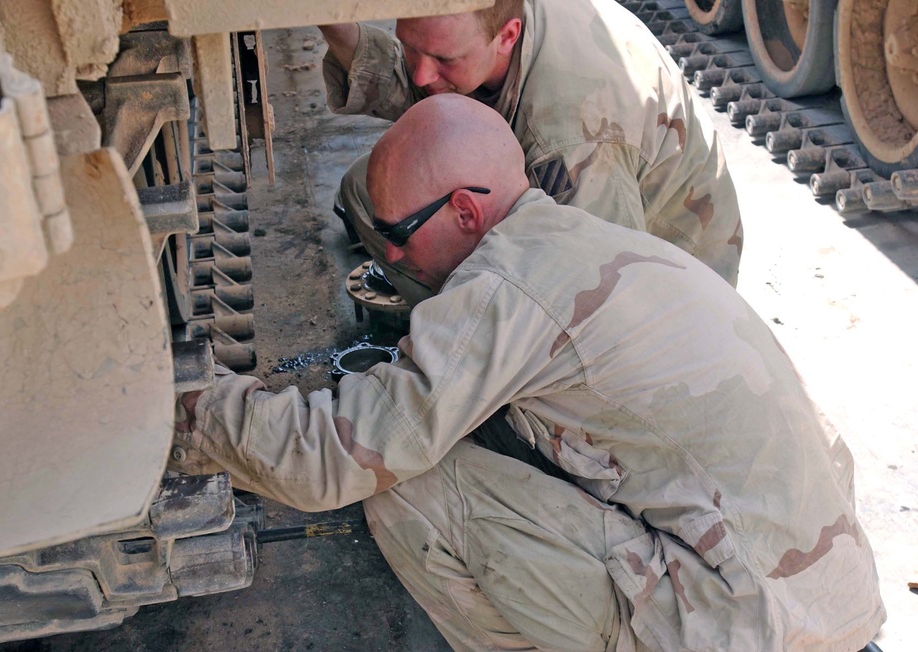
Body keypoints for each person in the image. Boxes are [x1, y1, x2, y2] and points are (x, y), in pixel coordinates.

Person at [171, 94, 883, 651]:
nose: (388, 259)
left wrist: (193, 412)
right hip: (828, 600)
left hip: (748, 628)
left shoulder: (504, 288)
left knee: (409, 488)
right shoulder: (585, 239)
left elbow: (330, 457)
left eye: (394, 236)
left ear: (464, 211)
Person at [318, 0, 744, 307]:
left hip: (670, 284)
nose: (421, 73)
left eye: (444, 59)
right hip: (610, 228)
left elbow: (592, 294)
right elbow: (420, 78)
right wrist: (331, 22)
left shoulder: (572, 138)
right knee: (374, 190)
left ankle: (465, 347)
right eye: (411, 47)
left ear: (507, 37)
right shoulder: (493, 21)